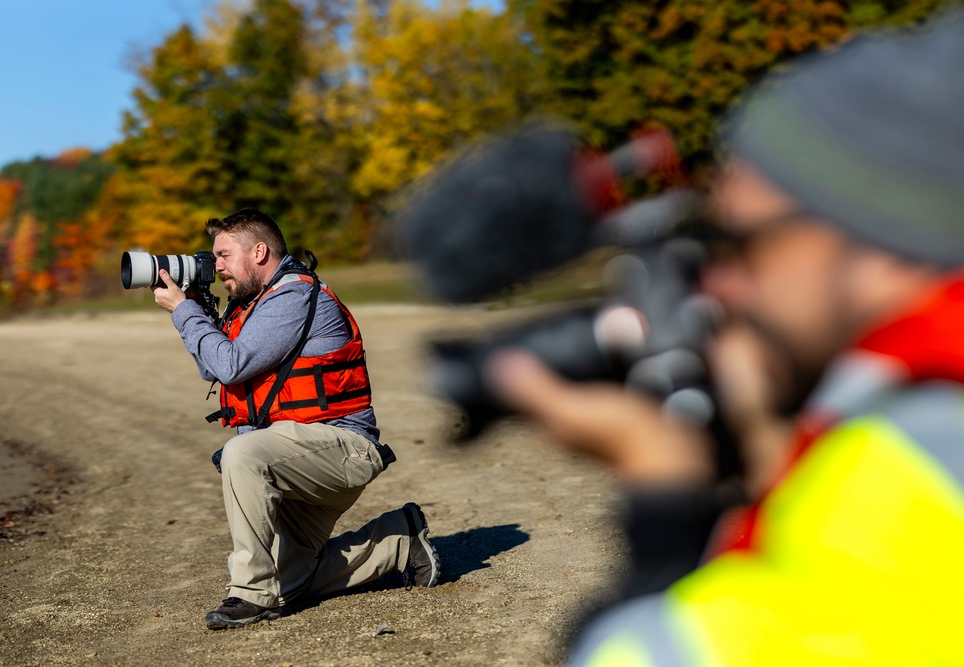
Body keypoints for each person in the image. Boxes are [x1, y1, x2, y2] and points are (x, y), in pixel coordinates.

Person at [487, 13, 964, 665]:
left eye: (741, 243)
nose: (721, 289)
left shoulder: (901, 475)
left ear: (884, 242)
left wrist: (667, 498)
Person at [151, 208, 440, 630]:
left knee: (242, 455)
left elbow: (229, 365)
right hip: (298, 460)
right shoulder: (252, 305)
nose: (216, 267)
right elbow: (212, 368)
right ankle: (398, 541)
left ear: (260, 252)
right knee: (286, 584)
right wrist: (193, 311)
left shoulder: (292, 295)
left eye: (224, 256)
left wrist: (183, 311)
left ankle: (250, 596)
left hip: (341, 449)